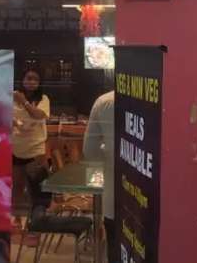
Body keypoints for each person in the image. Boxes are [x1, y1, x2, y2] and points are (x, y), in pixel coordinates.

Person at [84, 90, 116, 263]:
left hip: (113, 198)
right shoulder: (156, 97)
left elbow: (90, 151)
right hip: (150, 202)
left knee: (115, 249)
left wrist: (96, 184)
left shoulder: (104, 101)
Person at [11, 70, 51, 210]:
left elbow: (38, 115)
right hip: (16, 148)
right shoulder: (12, 97)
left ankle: (37, 215)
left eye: (35, 79)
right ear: (22, 80)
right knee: (17, 185)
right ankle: (16, 218)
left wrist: (24, 101)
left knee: (38, 185)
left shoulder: (43, 99)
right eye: (29, 78)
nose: (32, 82)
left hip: (35, 149)